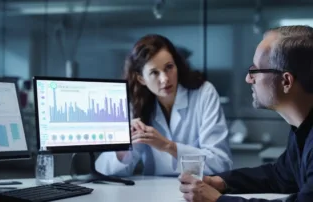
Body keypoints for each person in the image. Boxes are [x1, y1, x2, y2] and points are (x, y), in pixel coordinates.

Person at [179, 25, 313, 202]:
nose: (248, 78)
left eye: (255, 70)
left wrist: (217, 200)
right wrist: (220, 182)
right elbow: (279, 175)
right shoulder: (302, 130)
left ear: (286, 81)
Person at [95, 34, 232, 176]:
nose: (165, 79)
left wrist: (168, 146)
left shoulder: (203, 93)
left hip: (198, 190)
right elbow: (105, 172)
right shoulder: (136, 103)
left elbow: (220, 164)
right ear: (141, 78)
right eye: (154, 72)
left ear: (177, 65)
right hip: (155, 191)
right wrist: (123, 145)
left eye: (169, 67)